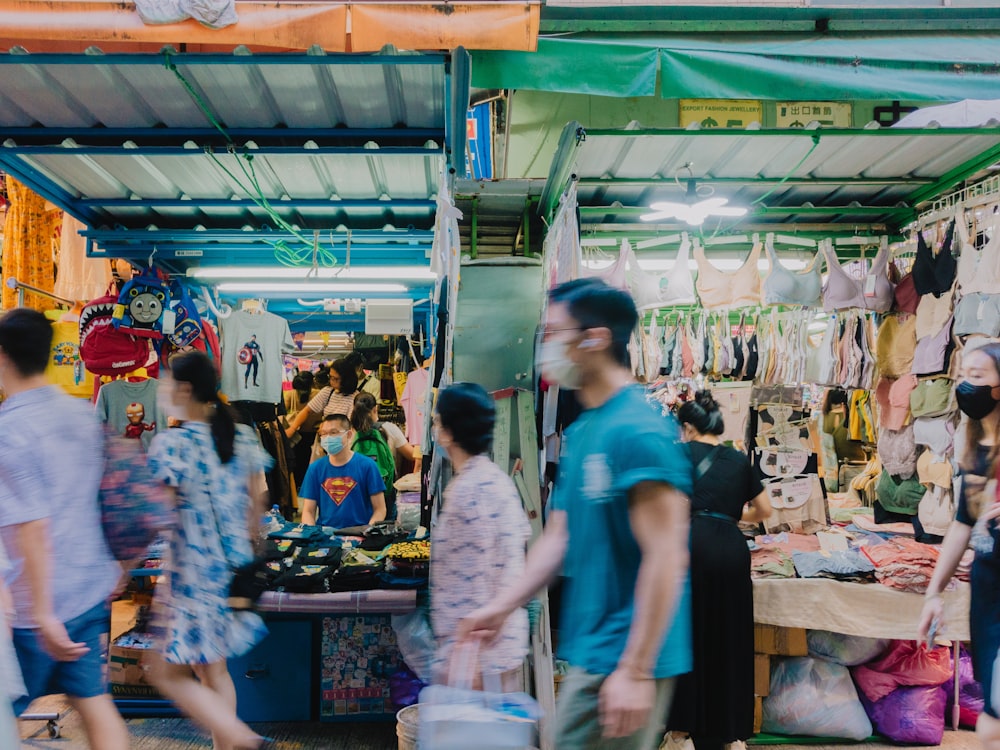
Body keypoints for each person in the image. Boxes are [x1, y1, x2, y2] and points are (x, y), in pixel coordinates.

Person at [459, 278, 693, 750]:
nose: (545, 347)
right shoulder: (587, 428)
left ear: (595, 339)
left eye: (554, 333)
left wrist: (635, 669)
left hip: (627, 653)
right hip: (596, 649)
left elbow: (667, 557)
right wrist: (502, 607)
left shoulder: (639, 430)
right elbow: (558, 537)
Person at [0, 309, 128, 750]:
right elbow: (108, 493)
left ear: (3, 357)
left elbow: (31, 525)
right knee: (95, 703)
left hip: (36, 606)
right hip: (89, 586)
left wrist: (42, 613)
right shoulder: (80, 413)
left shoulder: (11, 428)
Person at [146, 350, 272, 750]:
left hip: (190, 573)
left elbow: (159, 515)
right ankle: (232, 742)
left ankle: (240, 737)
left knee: (165, 671)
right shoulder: (243, 436)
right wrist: (249, 549)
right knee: (213, 670)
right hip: (231, 570)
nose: (164, 390)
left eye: (167, 382)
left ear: (184, 389)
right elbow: (259, 504)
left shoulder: (172, 445)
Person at [665, 391, 772, 750]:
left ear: (688, 427)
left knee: (688, 635)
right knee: (731, 636)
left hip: (690, 547)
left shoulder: (677, 454)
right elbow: (765, 510)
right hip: (730, 547)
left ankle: (681, 732)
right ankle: (733, 734)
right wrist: (731, 516)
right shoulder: (739, 460)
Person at [918, 342, 1000, 750]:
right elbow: (962, 525)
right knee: (993, 712)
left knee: (994, 719)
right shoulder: (975, 450)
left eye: (979, 376)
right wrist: (933, 593)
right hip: (988, 595)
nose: (967, 385)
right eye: (964, 374)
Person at [429, 383, 531, 689]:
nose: (434, 427)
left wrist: (464, 655)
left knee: (477, 735)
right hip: (499, 648)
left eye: (436, 420)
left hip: (479, 658)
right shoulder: (496, 481)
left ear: (447, 432)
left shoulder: (467, 492)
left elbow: (470, 581)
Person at [299, 414, 387, 528]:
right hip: (326, 535)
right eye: (323, 434)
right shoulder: (315, 468)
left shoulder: (368, 466)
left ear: (349, 434)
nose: (327, 438)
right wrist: (312, 533)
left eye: (333, 432)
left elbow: (380, 509)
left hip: (359, 533)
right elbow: (308, 511)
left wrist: (368, 531)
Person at [284, 357, 359, 441]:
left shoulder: (355, 398)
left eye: (336, 378)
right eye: (330, 377)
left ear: (346, 379)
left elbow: (351, 426)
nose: (332, 381)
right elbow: (307, 410)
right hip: (326, 440)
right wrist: (292, 429)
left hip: (344, 441)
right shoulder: (328, 392)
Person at [352, 391, 417, 480]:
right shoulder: (389, 428)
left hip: (359, 486)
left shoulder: (350, 432)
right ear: (376, 409)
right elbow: (411, 455)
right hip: (385, 486)